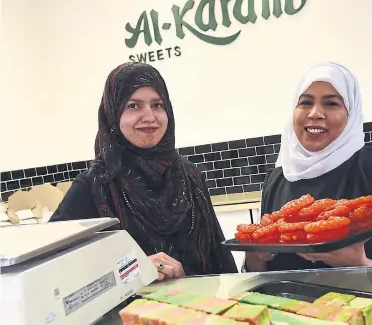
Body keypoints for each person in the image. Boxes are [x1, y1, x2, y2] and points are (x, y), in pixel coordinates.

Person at [50, 62, 237, 278]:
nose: (149, 117)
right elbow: (54, 265)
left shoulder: (190, 176)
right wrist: (131, 268)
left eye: (157, 105)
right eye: (133, 106)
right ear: (113, 114)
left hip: (200, 308)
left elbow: (219, 258)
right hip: (128, 311)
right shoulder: (95, 185)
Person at [244, 62, 372, 272]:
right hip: (287, 304)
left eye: (331, 104)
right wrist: (254, 258)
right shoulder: (275, 180)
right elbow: (258, 272)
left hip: (367, 303)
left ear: (351, 113)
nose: (315, 113)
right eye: (305, 102)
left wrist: (362, 265)